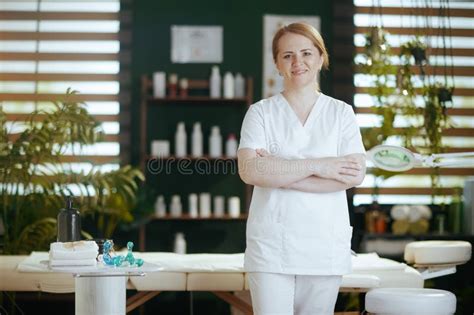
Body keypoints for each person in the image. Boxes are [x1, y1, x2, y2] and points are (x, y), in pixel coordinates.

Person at [237, 22, 366, 315]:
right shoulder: (261, 113)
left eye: (307, 53)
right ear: (277, 64)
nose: (298, 62)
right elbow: (250, 170)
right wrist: (320, 165)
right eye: (287, 55)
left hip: (323, 244)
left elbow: (353, 174)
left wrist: (279, 173)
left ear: (321, 58)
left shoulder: (340, 114)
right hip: (271, 247)